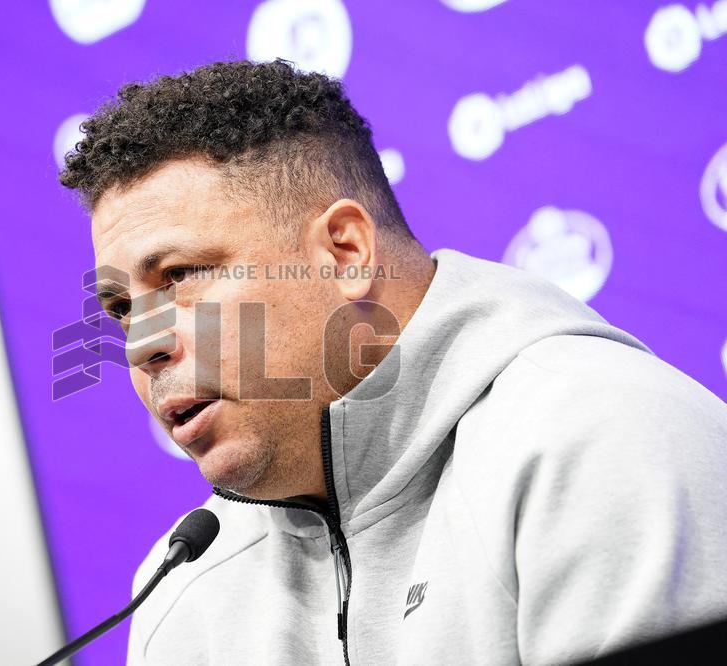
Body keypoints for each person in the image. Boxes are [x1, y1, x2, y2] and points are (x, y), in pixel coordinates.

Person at [58, 59, 727, 665]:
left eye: (178, 275)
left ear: (346, 252)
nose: (140, 345)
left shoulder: (602, 442)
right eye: (120, 308)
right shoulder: (183, 596)